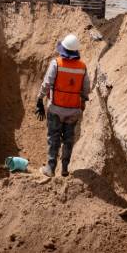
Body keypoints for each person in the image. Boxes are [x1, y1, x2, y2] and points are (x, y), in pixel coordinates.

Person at [34, 33, 88, 177]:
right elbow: (86, 89)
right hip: (73, 111)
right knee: (68, 140)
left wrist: (39, 99)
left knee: (54, 138)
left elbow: (47, 84)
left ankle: (51, 169)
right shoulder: (82, 67)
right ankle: (64, 169)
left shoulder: (56, 64)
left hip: (56, 109)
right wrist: (81, 101)